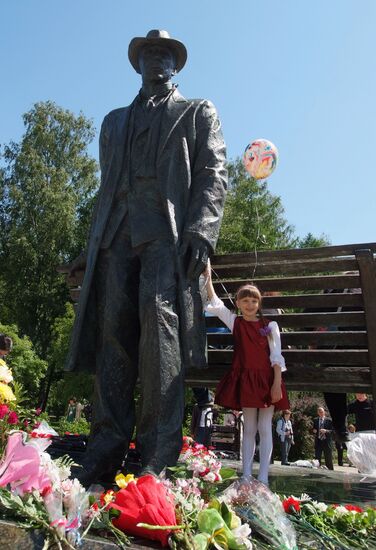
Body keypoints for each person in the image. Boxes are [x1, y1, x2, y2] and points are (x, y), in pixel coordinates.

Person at [65, 30, 227, 485]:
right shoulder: (114, 122)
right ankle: (104, 449)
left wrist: (201, 229)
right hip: (117, 237)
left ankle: (158, 455)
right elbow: (107, 189)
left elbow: (214, 173)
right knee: (114, 332)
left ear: (175, 65)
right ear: (137, 64)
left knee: (160, 327)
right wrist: (90, 247)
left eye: (164, 54)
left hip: (166, 237)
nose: (156, 60)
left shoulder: (197, 112)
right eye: (149, 54)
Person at [204, 262, 289, 485]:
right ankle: (247, 474)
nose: (250, 304)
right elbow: (216, 304)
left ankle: (263, 477)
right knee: (249, 427)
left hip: (267, 379)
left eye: (254, 301)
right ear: (238, 303)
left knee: (265, 426)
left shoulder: (270, 325)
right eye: (245, 300)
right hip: (247, 380)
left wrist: (276, 384)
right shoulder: (236, 323)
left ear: (259, 303)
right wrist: (208, 275)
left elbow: (276, 356)